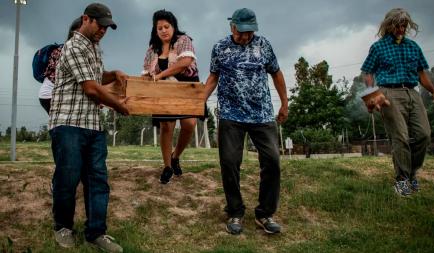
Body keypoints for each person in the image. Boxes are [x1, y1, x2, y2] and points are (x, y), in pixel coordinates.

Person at [48, 3, 129, 252]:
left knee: (98, 180)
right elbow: (90, 88)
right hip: (68, 123)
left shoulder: (94, 48)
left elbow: (95, 77)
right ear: (86, 19)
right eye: (100, 25)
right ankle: (63, 227)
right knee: (67, 178)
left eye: (107, 27)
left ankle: (96, 233)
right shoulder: (72, 47)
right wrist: (120, 106)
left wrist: (113, 73)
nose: (103, 30)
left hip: (92, 124)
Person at [204, 8, 288, 235]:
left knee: (272, 161)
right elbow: (213, 77)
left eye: (250, 32)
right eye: (242, 32)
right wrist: (198, 101)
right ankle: (235, 211)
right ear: (232, 27)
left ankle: (265, 214)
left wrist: (284, 103)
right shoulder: (220, 48)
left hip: (262, 115)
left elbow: (277, 74)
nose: (246, 36)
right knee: (229, 163)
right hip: (231, 115)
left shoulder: (264, 45)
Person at [361, 8, 434, 197]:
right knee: (400, 137)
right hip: (388, 93)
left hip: (412, 92)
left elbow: (422, 74)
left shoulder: (413, 46)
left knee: (424, 134)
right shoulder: (378, 47)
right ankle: (402, 181)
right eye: (397, 25)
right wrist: (372, 95)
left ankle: (411, 174)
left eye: (404, 25)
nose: (401, 28)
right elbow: (367, 72)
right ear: (389, 25)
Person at [142, 9, 200, 184]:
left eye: (166, 26)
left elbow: (185, 62)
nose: (163, 31)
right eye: (159, 28)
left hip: (186, 86)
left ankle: (176, 156)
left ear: (173, 27)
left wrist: (161, 75)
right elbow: (146, 73)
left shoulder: (183, 40)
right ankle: (167, 166)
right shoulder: (152, 49)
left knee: (189, 123)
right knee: (166, 125)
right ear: (155, 30)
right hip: (163, 91)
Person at [39, 17, 82, 114]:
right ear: (73, 33)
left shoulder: (68, 49)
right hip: (50, 94)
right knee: (64, 123)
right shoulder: (65, 51)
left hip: (50, 94)